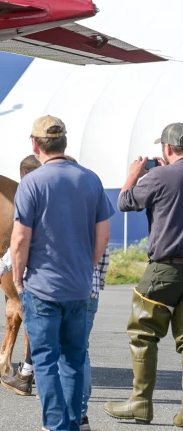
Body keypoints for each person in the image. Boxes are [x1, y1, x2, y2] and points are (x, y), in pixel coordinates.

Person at [11, 116, 112, 431]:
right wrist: (88, 266)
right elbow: (104, 236)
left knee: (45, 360)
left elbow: (19, 239)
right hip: (79, 288)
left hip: (41, 288)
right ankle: (73, 421)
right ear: (64, 142)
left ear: (35, 144)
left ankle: (56, 425)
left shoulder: (32, 182)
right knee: (74, 358)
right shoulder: (91, 180)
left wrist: (17, 277)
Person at [104, 122, 183, 426]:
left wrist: (134, 175)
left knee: (143, 333)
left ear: (165, 149)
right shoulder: (165, 174)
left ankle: (140, 403)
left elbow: (124, 202)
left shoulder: (159, 175)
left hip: (163, 269)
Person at [0, 154, 42, 395]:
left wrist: (5, 268)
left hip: (42, 277)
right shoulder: (76, 190)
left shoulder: (30, 195)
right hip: (77, 277)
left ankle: (30, 378)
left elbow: (20, 238)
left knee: (39, 326)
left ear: (24, 175)